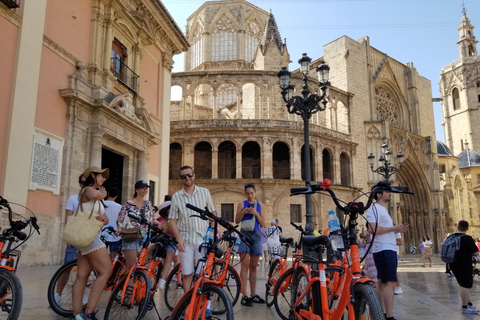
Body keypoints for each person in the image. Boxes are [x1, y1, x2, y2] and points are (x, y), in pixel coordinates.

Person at [72, 166, 111, 320]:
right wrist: (104, 193)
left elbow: (102, 215)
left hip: (85, 237)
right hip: (90, 238)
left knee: (82, 276)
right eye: (101, 175)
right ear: (92, 175)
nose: (103, 179)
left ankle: (77, 316)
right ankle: (88, 313)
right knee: (106, 271)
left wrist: (105, 219)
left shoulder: (94, 195)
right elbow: (96, 194)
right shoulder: (88, 190)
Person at [169, 166, 217, 293]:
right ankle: (188, 305)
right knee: (187, 273)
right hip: (185, 241)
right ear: (180, 179)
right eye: (184, 176)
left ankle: (204, 305)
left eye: (189, 175)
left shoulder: (204, 192)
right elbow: (172, 220)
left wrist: (213, 232)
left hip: (203, 239)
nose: (187, 178)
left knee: (203, 273)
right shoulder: (176, 197)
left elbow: (212, 213)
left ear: (194, 175)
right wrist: (178, 239)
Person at [367, 184, 408, 320]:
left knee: (382, 282)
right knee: (390, 283)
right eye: (387, 191)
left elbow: (382, 230)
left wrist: (397, 229)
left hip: (387, 248)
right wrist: (392, 229)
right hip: (384, 248)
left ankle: (382, 314)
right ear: (379, 195)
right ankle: (389, 316)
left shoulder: (382, 209)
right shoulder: (374, 209)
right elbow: (372, 230)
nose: (390, 194)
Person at [56, 174, 87, 305]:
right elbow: (68, 218)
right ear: (80, 184)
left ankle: (80, 294)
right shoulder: (73, 199)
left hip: (87, 239)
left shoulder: (93, 201)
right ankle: (57, 293)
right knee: (67, 267)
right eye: (84, 183)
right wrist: (68, 237)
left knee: (84, 270)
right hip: (74, 237)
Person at [235, 182, 266, 306]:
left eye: (252, 193)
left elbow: (263, 223)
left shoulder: (261, 205)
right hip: (244, 234)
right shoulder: (241, 204)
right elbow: (236, 221)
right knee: (244, 266)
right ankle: (244, 295)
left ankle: (253, 294)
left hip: (256, 235)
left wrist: (256, 213)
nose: (250, 196)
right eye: (247, 193)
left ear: (255, 193)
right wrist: (243, 212)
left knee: (253, 267)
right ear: (245, 193)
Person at [118, 180, 155, 276]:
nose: (144, 190)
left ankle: (139, 289)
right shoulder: (128, 204)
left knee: (142, 266)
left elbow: (151, 219)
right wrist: (119, 229)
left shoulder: (148, 204)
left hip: (145, 237)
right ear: (136, 189)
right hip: (131, 235)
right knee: (131, 268)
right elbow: (121, 219)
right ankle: (128, 289)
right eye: (142, 188)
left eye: (146, 188)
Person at [448, 220, 480, 314]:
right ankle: (465, 306)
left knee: (463, 285)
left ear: (457, 227)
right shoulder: (467, 238)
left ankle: (468, 303)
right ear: (467, 228)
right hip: (464, 264)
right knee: (465, 285)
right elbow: (475, 253)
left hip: (453, 263)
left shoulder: (451, 237)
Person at [155, 199, 180, 290]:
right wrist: (164, 231)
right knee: (150, 246)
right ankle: (142, 263)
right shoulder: (164, 223)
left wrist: (173, 230)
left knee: (169, 258)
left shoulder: (178, 222)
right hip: (164, 240)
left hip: (172, 242)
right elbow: (160, 235)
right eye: (166, 215)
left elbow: (179, 234)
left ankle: (163, 279)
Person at [103, 187, 122, 261]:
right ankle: (112, 271)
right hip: (115, 235)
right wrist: (119, 230)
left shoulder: (102, 204)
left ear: (108, 193)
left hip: (102, 234)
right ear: (117, 196)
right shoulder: (119, 207)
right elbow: (120, 221)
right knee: (113, 258)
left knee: (101, 257)